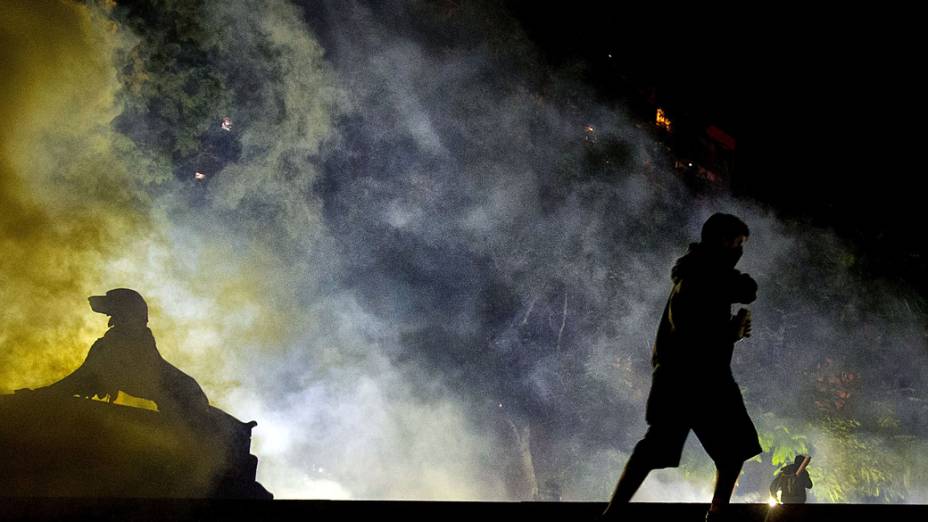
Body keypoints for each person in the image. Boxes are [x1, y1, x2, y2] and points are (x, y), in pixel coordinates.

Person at [603, 213, 761, 521]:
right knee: (662, 449)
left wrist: (730, 333)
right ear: (721, 241)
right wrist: (732, 333)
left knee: (729, 450)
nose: (740, 250)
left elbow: (740, 294)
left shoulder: (703, 276)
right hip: (692, 381)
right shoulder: (699, 280)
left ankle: (617, 511)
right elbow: (694, 333)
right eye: (736, 242)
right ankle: (615, 512)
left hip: (696, 379)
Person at [41, 288, 209, 419]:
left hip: (189, 400)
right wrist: (46, 394)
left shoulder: (135, 347)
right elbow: (84, 377)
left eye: (112, 304)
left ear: (127, 312)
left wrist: (44, 395)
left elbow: (83, 378)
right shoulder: (107, 345)